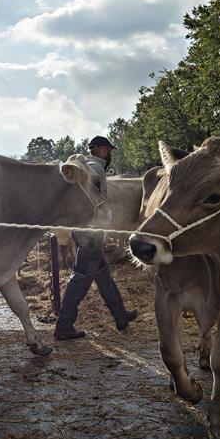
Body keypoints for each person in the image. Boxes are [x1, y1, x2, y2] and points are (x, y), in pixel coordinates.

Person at [53, 136, 138, 341]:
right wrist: (106, 219)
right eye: (108, 150)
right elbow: (98, 200)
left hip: (82, 227)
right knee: (82, 277)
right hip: (91, 229)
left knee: (102, 273)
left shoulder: (81, 168)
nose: (109, 154)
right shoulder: (96, 169)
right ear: (102, 150)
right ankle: (64, 324)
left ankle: (120, 315)